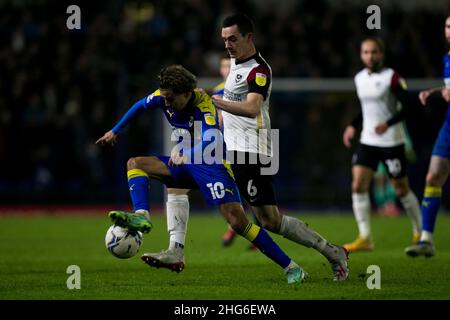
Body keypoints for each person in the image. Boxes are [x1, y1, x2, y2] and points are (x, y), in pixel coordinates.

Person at [144, 13, 349, 282]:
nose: (227, 44)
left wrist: (217, 102)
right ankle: (176, 250)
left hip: (250, 151)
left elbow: (252, 108)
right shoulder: (235, 63)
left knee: (270, 221)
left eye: (233, 39)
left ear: (249, 37)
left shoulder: (259, 70)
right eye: (224, 39)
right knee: (179, 183)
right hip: (229, 149)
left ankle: (332, 253)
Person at [96, 64, 308, 284]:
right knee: (136, 164)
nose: (166, 103)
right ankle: (149, 222)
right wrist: (115, 130)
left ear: (187, 94)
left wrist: (187, 153)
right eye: (164, 98)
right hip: (187, 163)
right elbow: (140, 106)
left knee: (237, 222)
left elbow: (211, 141)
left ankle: (291, 267)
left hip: (212, 164)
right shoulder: (165, 94)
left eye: (171, 99)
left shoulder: (204, 104)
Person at [342, 37, 422, 253]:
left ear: (381, 54)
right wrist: (352, 126)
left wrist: (388, 124)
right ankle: (365, 237)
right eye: (366, 52)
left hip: (391, 142)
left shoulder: (392, 78)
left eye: (374, 52)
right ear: (361, 55)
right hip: (368, 141)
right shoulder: (359, 78)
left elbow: (408, 107)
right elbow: (366, 108)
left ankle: (419, 231)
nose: (370, 56)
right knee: (358, 184)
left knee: (401, 188)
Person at [405, 15, 450, 258]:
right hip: (448, 126)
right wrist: (434, 92)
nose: (449, 31)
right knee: (433, 177)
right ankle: (426, 240)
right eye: (447, 26)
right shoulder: (447, 58)